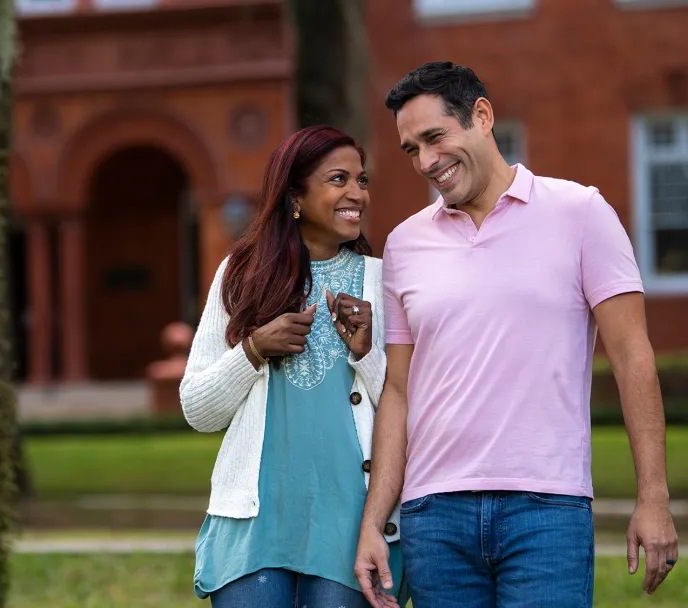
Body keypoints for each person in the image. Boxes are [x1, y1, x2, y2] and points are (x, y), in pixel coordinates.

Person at [353, 61, 680, 608]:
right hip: (434, 515)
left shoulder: (581, 213)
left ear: (481, 117)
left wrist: (654, 495)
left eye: (435, 137)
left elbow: (631, 357)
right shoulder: (405, 244)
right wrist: (374, 521)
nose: (427, 161)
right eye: (412, 149)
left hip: (546, 511)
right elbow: (399, 390)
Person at [180, 125, 405, 608]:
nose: (356, 194)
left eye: (362, 181)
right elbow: (197, 408)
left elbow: (405, 404)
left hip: (350, 526)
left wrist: (366, 354)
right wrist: (254, 349)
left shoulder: (383, 282)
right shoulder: (242, 275)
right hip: (255, 526)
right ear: (295, 196)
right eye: (338, 179)